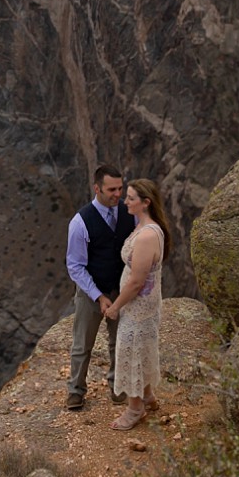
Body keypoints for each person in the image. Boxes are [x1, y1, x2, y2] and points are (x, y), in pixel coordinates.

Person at [65, 164, 136, 411]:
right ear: (97, 188)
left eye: (120, 188)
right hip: (89, 292)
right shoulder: (80, 222)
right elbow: (75, 266)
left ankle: (118, 389)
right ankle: (75, 391)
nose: (118, 194)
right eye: (111, 189)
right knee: (83, 344)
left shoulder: (129, 213)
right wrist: (97, 296)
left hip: (120, 290)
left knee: (120, 341)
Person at [105, 177, 172, 430]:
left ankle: (135, 410)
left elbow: (136, 282)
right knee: (142, 349)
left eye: (131, 198)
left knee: (130, 351)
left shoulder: (146, 236)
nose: (125, 201)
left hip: (138, 307)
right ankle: (147, 396)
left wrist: (115, 306)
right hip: (145, 306)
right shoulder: (147, 228)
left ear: (145, 203)